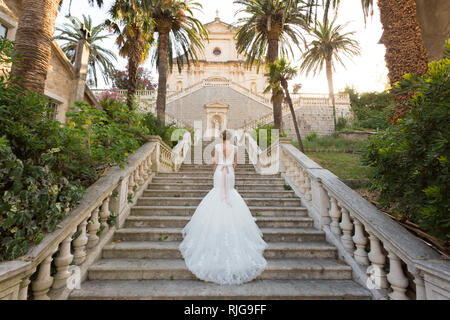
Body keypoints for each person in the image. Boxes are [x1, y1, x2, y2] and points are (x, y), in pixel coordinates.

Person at [179, 130, 267, 285]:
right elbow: (234, 164)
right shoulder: (235, 148)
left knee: (217, 193)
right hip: (230, 172)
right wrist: (230, 169)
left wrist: (215, 172)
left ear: (221, 137)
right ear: (231, 137)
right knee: (230, 194)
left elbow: (214, 162)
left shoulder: (218, 147)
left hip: (220, 171)